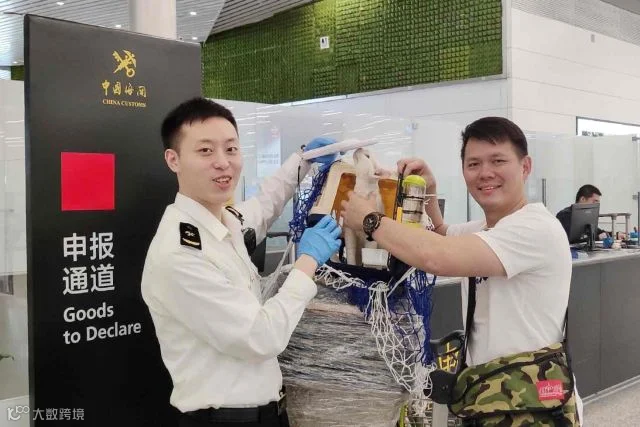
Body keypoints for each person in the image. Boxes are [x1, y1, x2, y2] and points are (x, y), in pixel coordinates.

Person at [340, 116, 582, 422]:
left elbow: (436, 256)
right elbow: (440, 234)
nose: (485, 173)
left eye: (498, 161)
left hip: (532, 407)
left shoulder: (535, 228)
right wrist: (429, 189)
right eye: (473, 164)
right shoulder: (486, 228)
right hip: (491, 397)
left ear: (525, 167)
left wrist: (370, 220)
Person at [141, 97, 342, 427]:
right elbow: (261, 337)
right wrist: (307, 262)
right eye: (206, 151)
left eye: (231, 149)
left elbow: (264, 206)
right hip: (223, 420)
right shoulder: (180, 254)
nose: (223, 163)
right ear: (173, 159)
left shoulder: (224, 221)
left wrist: (303, 159)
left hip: (267, 413)